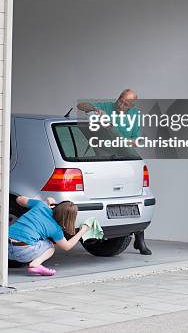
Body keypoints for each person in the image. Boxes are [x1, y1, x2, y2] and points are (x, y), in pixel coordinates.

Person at [77, 89, 152, 256]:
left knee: (134, 197)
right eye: (120, 100)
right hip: (105, 157)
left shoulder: (135, 116)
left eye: (125, 104)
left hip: (126, 157)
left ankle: (139, 239)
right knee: (110, 197)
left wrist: (117, 136)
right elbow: (80, 105)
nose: (120, 105)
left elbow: (137, 141)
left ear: (132, 106)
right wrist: (95, 110)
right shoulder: (107, 106)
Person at [8, 196, 89, 276]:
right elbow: (67, 246)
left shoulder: (40, 205)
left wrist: (45, 201)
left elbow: (19, 199)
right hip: (23, 254)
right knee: (50, 246)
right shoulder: (56, 229)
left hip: (3, 249)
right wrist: (83, 230)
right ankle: (35, 264)